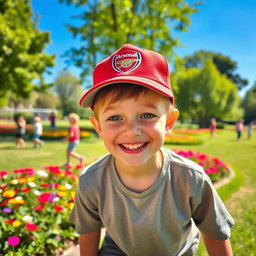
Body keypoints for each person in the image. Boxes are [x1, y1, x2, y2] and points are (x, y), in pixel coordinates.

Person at [69, 44, 234, 256]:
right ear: (98, 127)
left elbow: (215, 234)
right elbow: (89, 232)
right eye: (115, 118)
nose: (131, 130)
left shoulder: (191, 178)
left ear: (170, 121)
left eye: (147, 115)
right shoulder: (91, 181)